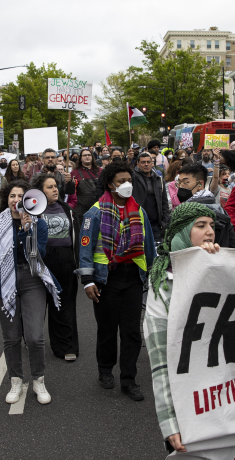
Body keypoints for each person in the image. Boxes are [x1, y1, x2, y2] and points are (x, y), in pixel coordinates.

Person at [143, 202, 223, 460]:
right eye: (200, 225)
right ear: (179, 232)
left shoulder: (222, 265)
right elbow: (160, 357)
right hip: (187, 402)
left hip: (222, 396)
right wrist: (170, 420)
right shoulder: (162, 284)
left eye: (211, 225)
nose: (209, 231)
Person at [0, 179, 60, 405]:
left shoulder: (39, 224)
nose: (15, 201)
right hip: (2, 283)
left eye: (20, 197)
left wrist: (26, 230)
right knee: (11, 338)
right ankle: (15, 380)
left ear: (28, 201)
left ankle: (38, 380)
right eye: (12, 196)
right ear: (7, 199)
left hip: (32, 279)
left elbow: (37, 256)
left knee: (34, 336)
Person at [78, 159, 156, 401]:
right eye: (121, 181)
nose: (127, 185)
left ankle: (129, 379)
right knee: (108, 329)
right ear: (109, 184)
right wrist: (88, 281)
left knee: (132, 332)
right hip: (106, 280)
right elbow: (86, 248)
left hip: (133, 277)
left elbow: (149, 246)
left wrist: (153, 274)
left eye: (129, 180)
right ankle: (105, 371)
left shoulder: (139, 211)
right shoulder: (95, 212)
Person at [33, 173, 79, 360]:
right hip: (43, 261)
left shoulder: (66, 208)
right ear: (40, 191)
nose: (55, 190)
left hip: (66, 260)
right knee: (38, 304)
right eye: (49, 187)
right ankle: (31, 339)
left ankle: (67, 347)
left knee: (65, 304)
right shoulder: (33, 210)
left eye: (55, 186)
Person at [176, 163, 235, 248]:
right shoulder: (181, 210)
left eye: (186, 182)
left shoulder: (217, 211)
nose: (181, 186)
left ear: (200, 184)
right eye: (179, 183)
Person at [132, 152, 170, 246]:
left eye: (148, 162)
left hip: (155, 225)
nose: (146, 164)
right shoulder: (132, 178)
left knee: (157, 252)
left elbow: (164, 202)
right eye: (143, 162)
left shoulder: (159, 179)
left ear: (152, 163)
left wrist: (164, 222)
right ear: (138, 164)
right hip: (137, 223)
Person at [70, 148, 103, 246]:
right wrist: (68, 182)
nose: (87, 156)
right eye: (84, 155)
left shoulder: (100, 171)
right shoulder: (74, 172)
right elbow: (70, 192)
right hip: (82, 208)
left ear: (92, 157)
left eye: (89, 154)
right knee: (83, 234)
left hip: (98, 207)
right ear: (80, 158)